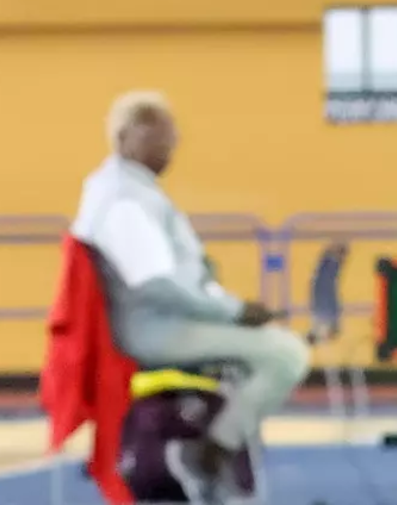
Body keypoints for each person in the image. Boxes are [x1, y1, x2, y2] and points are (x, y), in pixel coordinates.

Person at [69, 91, 310, 498]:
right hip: (154, 330)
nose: (170, 146)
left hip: (170, 319)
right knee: (286, 355)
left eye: (171, 137)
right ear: (126, 138)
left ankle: (217, 461)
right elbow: (158, 284)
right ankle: (210, 455)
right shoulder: (123, 200)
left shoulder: (127, 190)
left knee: (261, 356)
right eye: (159, 137)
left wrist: (228, 308)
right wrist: (232, 311)